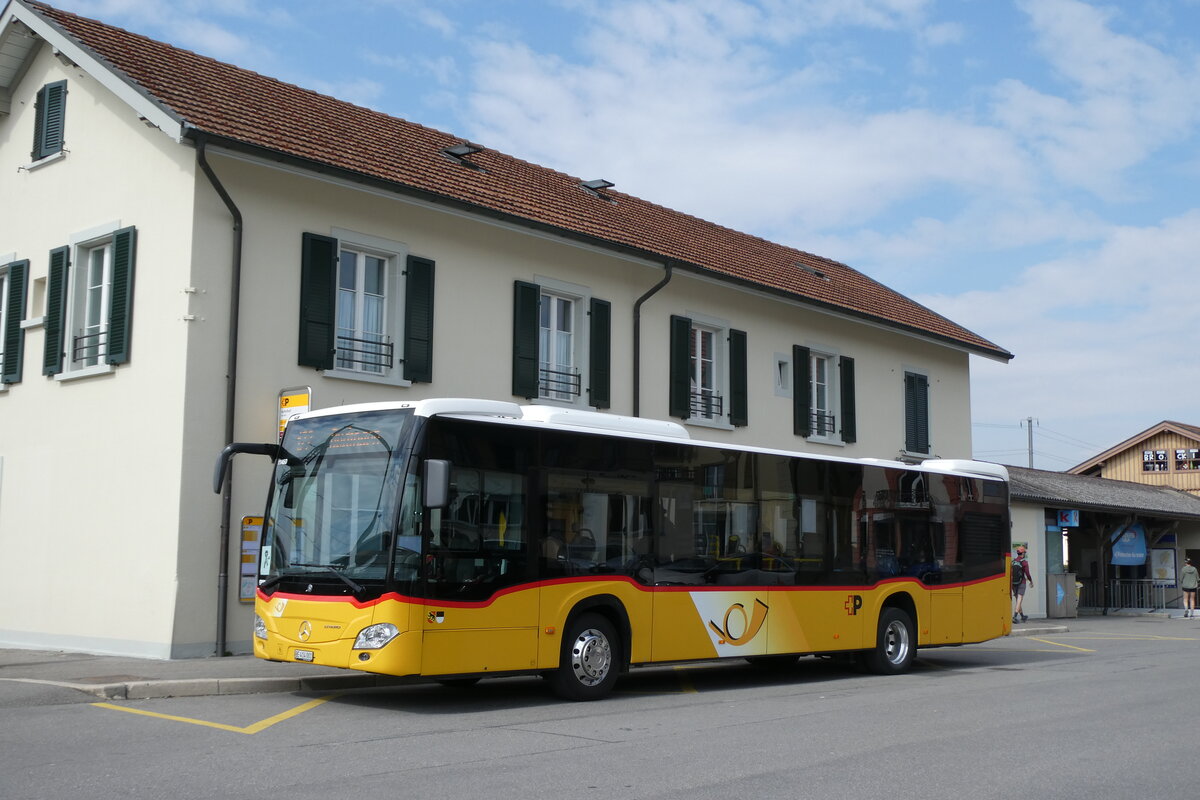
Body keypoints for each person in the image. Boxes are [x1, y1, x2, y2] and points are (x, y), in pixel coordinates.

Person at [1011, 545, 1032, 623]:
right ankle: (1015, 616)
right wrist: (1031, 581)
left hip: (1013, 583)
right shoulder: (1024, 562)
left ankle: (1023, 616)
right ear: (1023, 553)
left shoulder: (1013, 562)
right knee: (1019, 599)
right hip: (1021, 583)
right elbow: (1027, 574)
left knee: (1018, 601)